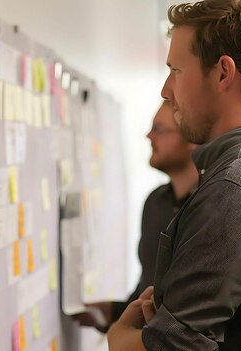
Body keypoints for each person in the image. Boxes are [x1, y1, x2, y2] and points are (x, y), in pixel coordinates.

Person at [108, 1, 241, 350]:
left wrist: (119, 338)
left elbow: (177, 346)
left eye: (176, 70)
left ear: (223, 73)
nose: (166, 89)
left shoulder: (236, 187)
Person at [75, 100, 198, 331]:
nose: (148, 136)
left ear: (191, 138)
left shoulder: (210, 207)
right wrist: (111, 311)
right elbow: (149, 289)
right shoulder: (155, 203)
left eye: (159, 129)